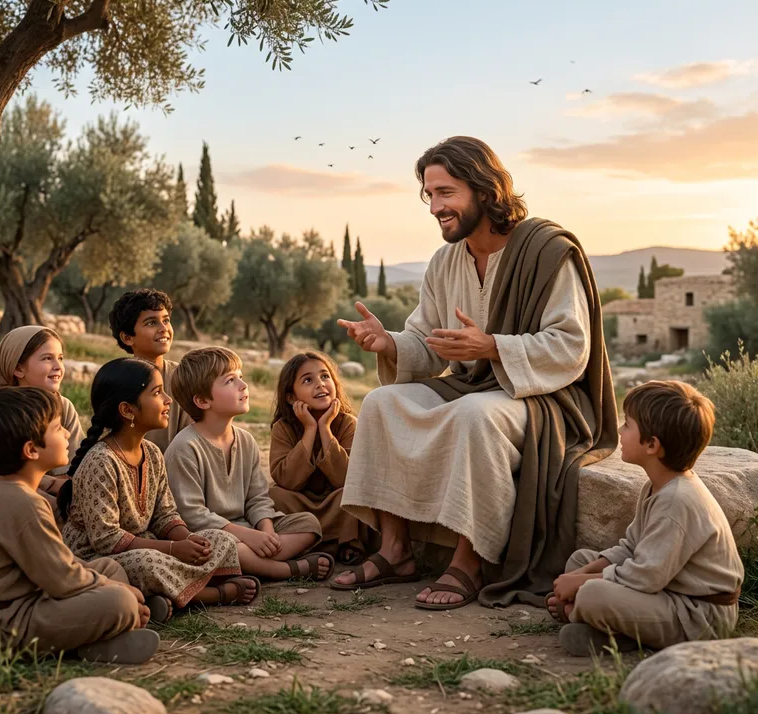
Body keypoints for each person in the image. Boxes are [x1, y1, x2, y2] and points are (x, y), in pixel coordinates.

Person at [332, 136, 618, 609]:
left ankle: (469, 561)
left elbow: (571, 346)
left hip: (542, 397)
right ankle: (395, 550)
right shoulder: (445, 261)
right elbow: (428, 342)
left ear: (485, 190)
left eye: (446, 193)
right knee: (382, 403)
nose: (434, 208)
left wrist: (493, 347)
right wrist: (390, 343)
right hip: (473, 386)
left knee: (474, 415)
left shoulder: (546, 252)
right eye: (429, 195)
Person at [0, 387, 159, 664]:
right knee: (119, 602)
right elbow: (63, 581)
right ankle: (100, 635)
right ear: (31, 450)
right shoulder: (22, 503)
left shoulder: (7, 488)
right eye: (57, 428)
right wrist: (119, 591)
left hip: (23, 599)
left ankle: (100, 636)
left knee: (109, 567)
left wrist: (107, 582)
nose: (66, 433)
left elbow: (59, 563)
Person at [548, 381, 744, 656]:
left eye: (627, 425)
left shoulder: (677, 501)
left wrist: (580, 586)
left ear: (652, 444)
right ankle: (621, 631)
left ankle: (594, 619)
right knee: (580, 561)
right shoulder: (657, 486)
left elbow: (646, 576)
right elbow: (631, 548)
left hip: (699, 615)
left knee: (593, 594)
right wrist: (578, 575)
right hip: (668, 591)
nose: (620, 430)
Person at [59, 358, 257, 623]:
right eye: (157, 392)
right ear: (128, 410)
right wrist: (173, 549)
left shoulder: (152, 453)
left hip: (150, 543)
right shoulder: (100, 461)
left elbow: (165, 515)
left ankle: (164, 598)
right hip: (100, 557)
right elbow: (106, 540)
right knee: (147, 565)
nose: (168, 400)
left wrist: (188, 541)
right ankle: (215, 594)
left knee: (220, 539)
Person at [165, 347, 333, 582]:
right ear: (202, 401)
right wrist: (247, 536)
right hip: (213, 534)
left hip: (248, 527)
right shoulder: (184, 447)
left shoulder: (246, 440)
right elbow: (192, 515)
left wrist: (266, 531)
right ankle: (285, 570)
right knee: (225, 545)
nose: (243, 385)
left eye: (241, 377)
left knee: (308, 524)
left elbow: (257, 498)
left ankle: (251, 565)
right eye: (230, 381)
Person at [269, 352, 372, 564]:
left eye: (325, 376)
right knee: (274, 494)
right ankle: (327, 544)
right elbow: (287, 480)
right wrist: (309, 429)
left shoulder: (348, 423)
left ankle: (331, 545)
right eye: (308, 380)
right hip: (300, 504)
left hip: (335, 502)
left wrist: (325, 429)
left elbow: (346, 479)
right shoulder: (283, 427)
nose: (320, 384)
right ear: (291, 397)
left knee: (352, 494)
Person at [0, 325, 84, 478]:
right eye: (47, 358)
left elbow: (75, 467)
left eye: (60, 358)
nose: (58, 366)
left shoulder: (64, 406)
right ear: (18, 369)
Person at [108, 289, 192, 452]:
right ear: (127, 338)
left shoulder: (185, 377)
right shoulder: (116, 381)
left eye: (166, 320)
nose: (163, 328)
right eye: (151, 323)